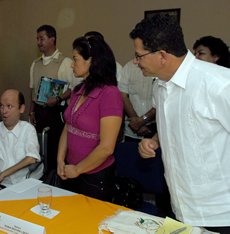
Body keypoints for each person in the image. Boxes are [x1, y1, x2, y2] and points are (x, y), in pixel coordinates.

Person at [132, 14, 230, 232]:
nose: (135, 62)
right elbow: (176, 126)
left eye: (139, 56)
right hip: (180, 207)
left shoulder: (219, 84)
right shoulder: (159, 86)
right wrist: (155, 140)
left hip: (220, 214)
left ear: (162, 56)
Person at [57, 36, 123, 202]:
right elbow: (68, 127)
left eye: (76, 59)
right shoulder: (78, 90)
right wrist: (60, 160)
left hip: (95, 177)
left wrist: (78, 169)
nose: (72, 64)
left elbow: (107, 147)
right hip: (71, 170)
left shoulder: (110, 93)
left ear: (91, 61)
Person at [29, 25, 79, 171]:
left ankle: (57, 177)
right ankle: (42, 176)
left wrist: (57, 99)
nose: (39, 42)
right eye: (37, 39)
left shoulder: (65, 62)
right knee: (40, 146)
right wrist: (31, 112)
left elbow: (73, 89)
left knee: (55, 148)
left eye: (42, 39)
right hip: (39, 111)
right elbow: (32, 89)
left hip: (56, 112)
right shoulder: (35, 63)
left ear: (52, 40)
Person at [0, 89, 43, 196]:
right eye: (1, 106)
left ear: (22, 108)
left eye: (9, 106)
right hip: (2, 183)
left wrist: (4, 173)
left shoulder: (28, 129)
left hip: (26, 181)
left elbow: (31, 159)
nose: (4, 111)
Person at [118, 60, 157, 142]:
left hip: (155, 128)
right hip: (132, 128)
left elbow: (163, 99)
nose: (135, 60)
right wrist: (136, 121)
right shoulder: (129, 67)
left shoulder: (160, 68)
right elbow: (123, 96)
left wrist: (143, 120)